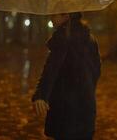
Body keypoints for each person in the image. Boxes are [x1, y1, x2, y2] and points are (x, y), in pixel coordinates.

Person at [31, 12, 101, 140]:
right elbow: (96, 71)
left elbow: (51, 70)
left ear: (66, 16)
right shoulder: (91, 38)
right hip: (86, 107)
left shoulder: (62, 38)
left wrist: (41, 95)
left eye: (54, 14)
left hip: (66, 110)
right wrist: (86, 91)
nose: (50, 17)